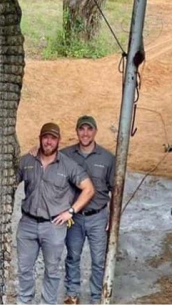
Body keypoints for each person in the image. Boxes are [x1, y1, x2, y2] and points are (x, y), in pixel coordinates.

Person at [17, 122, 95, 305]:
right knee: (24, 269)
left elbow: (89, 189)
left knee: (51, 271)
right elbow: (11, 180)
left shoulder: (67, 165)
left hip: (53, 226)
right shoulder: (27, 161)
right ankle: (24, 302)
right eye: (45, 137)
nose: (48, 142)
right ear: (40, 139)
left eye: (52, 138)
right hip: (27, 223)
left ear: (58, 141)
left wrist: (71, 211)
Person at [62, 116, 115, 305]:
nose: (85, 133)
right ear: (77, 131)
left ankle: (96, 297)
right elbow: (47, 158)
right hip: (74, 216)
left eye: (89, 129)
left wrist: (112, 217)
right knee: (73, 256)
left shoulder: (108, 158)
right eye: (81, 129)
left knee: (98, 260)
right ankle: (72, 294)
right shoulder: (66, 155)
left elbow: (115, 189)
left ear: (95, 131)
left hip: (98, 216)